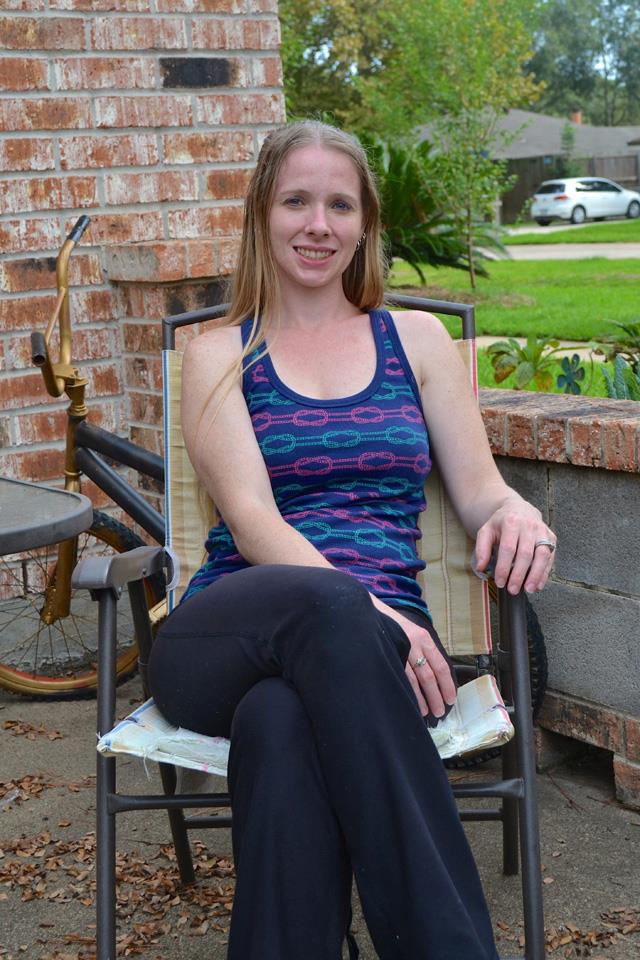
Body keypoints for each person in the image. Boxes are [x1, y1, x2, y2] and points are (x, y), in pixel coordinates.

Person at [148, 120, 556, 960]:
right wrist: (372, 614)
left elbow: (481, 491)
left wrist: (517, 511)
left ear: (366, 221)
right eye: (295, 201)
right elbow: (254, 521)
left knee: (279, 723)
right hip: (228, 633)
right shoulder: (220, 353)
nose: (317, 224)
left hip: (370, 665)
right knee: (331, 611)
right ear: (262, 213)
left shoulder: (417, 343)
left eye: (339, 205)